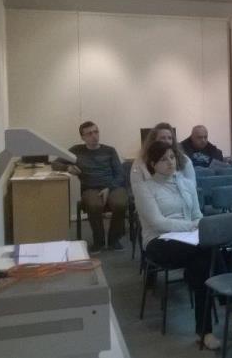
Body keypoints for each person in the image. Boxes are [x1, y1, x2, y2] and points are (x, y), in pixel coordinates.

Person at [134, 141, 219, 349]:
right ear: (153, 164)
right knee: (207, 255)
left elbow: (197, 214)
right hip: (158, 241)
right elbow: (158, 223)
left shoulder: (186, 183)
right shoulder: (145, 188)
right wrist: (191, 226)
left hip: (189, 240)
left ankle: (205, 331)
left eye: (172, 157)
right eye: (163, 159)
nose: (170, 162)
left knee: (204, 260)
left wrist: (198, 225)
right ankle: (226, 303)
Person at [53, 121, 128, 253]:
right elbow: (55, 163)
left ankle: (113, 239)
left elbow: (120, 174)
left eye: (96, 132)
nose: (94, 136)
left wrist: (109, 188)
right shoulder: (76, 150)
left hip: (112, 186)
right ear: (83, 137)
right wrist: (68, 167)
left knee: (121, 203)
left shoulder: (109, 150)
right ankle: (98, 241)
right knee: (94, 205)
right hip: (90, 188)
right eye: (89, 133)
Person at [131, 122, 195, 191]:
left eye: (170, 138)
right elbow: (137, 188)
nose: (167, 141)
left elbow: (192, 186)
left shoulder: (185, 160)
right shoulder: (140, 162)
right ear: (153, 141)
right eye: (162, 138)